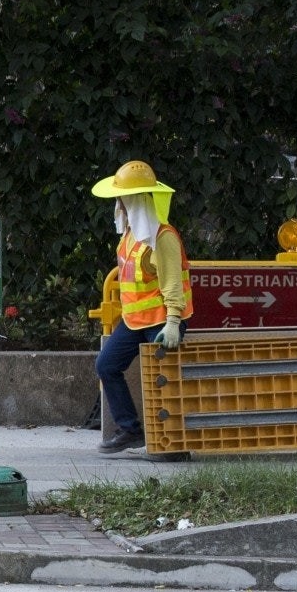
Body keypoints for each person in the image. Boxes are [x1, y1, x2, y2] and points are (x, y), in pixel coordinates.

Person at [90, 159, 189, 454]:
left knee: (164, 382)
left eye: (122, 198)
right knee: (106, 365)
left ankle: (173, 444)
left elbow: (172, 283)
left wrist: (173, 322)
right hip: (135, 321)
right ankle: (130, 430)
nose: (118, 204)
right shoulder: (132, 235)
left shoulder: (162, 237)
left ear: (133, 200)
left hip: (161, 321)